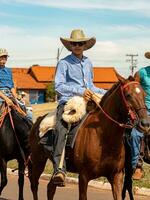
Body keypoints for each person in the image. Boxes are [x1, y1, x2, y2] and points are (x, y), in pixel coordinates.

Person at [52, 29, 106, 186]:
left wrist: (109, 92)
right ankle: (59, 169)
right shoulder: (64, 63)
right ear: (70, 45)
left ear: (85, 45)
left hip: (88, 100)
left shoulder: (88, 62)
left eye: (80, 43)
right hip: (69, 101)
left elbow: (91, 86)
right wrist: (80, 91)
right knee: (61, 127)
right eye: (74, 43)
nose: (77, 46)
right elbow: (59, 86)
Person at [130, 51, 150, 180]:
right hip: (145, 109)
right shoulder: (142, 73)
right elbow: (132, 88)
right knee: (135, 134)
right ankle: (137, 165)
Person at [0, 48, 32, 122]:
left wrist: (16, 97)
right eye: (2, 57)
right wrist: (6, 99)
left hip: (9, 95)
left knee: (28, 112)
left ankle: (30, 131)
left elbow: (11, 86)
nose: (4, 59)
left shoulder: (9, 70)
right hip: (1, 96)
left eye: (5, 57)